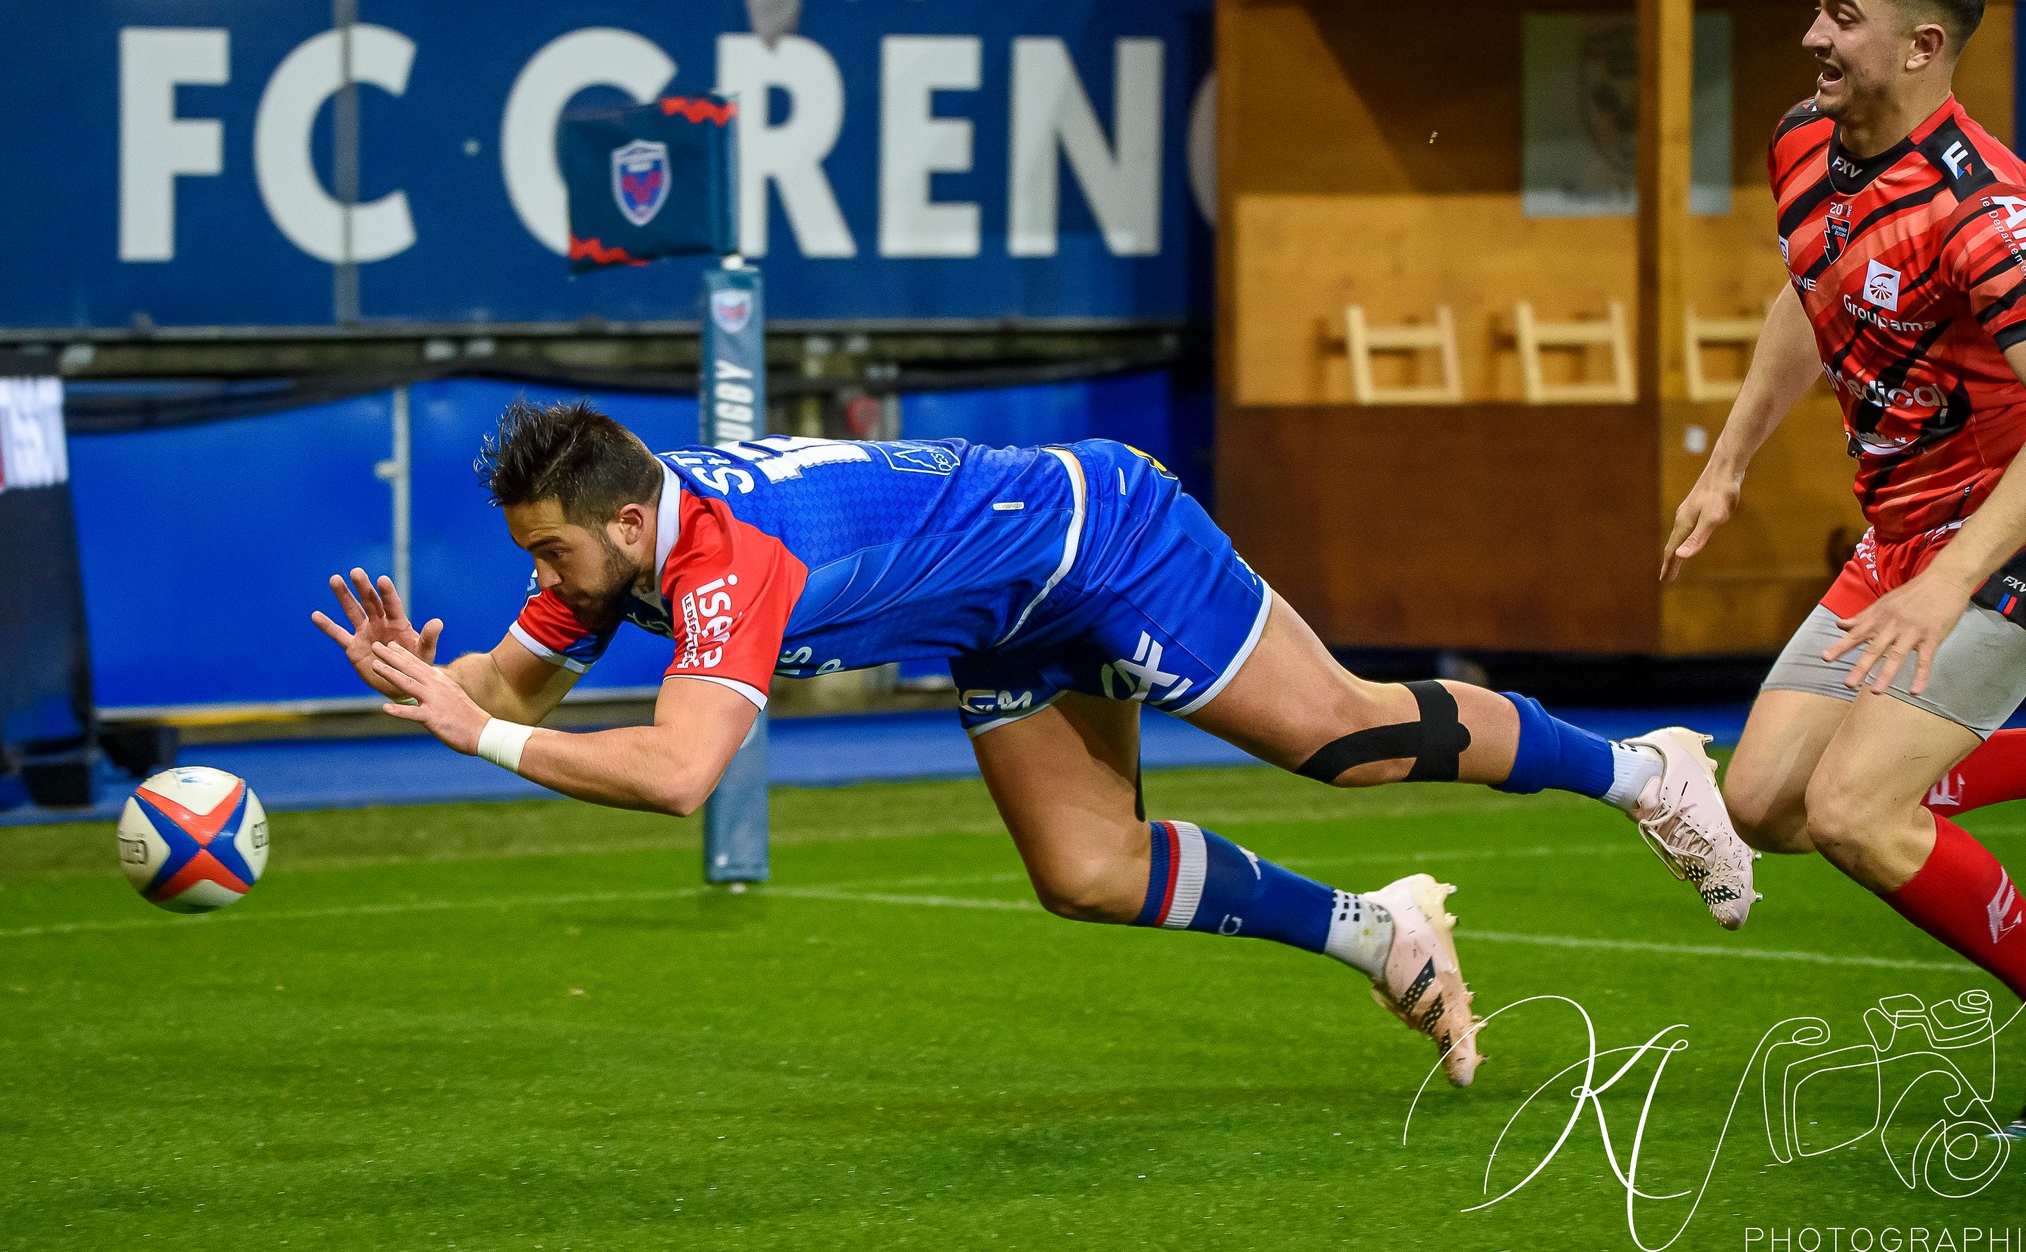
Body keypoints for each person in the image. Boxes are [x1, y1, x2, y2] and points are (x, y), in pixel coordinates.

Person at [317, 403, 1758, 1088]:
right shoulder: (621, 548)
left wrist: (483, 729)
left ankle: (1649, 770)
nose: (546, 576)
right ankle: (1381, 929)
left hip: (1102, 538)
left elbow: (680, 773)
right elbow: (516, 681)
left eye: (553, 550)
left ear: (626, 525)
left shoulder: (721, 564)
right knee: (1083, 867)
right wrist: (434, 683)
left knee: (1343, 739)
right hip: (1003, 608)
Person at [1664, 0, 2026, 1140]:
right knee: (1765, 807)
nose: (1810, 38)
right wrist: (1726, 463)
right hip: (1897, 541)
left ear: (1923, 45)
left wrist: (1946, 585)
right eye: (1817, 5)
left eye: (1841, 16)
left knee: (1853, 813)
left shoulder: (1981, 209)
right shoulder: (1806, 144)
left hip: (2009, 544)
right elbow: (1806, 286)